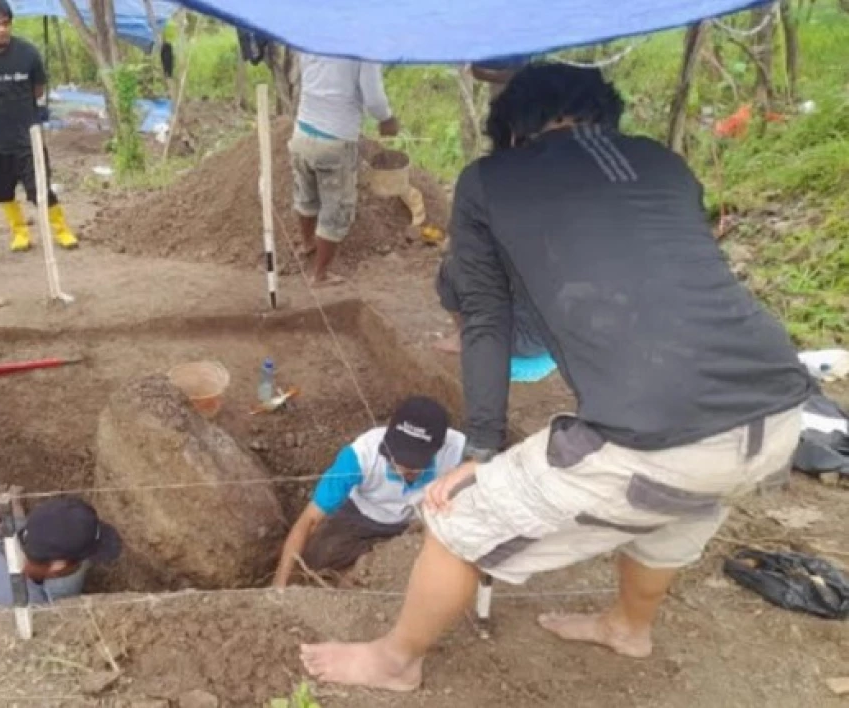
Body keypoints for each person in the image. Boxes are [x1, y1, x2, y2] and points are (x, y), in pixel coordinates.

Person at [300, 63, 814, 691]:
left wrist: (481, 451)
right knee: (683, 506)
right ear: (607, 116)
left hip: (655, 429)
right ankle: (629, 627)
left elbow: (485, 321)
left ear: (514, 129)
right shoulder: (661, 163)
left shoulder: (490, 180)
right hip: (779, 408)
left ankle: (394, 661)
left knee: (457, 520)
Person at [273, 396, 465, 587]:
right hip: (359, 517)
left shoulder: (459, 450)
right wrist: (278, 586)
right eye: (395, 458)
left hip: (414, 526)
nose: (400, 469)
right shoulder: (360, 457)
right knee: (315, 559)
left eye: (412, 466)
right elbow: (309, 520)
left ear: (439, 449)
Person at [0, 0, 79, 252]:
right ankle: (20, 233)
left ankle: (62, 231)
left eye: (6, 23)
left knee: (40, 187)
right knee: (2, 191)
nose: (2, 29)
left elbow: (38, 90)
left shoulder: (27, 53)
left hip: (28, 136)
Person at [290, 53, 400, 286]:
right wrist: (387, 119)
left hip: (301, 132)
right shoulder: (363, 45)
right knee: (337, 209)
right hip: (335, 139)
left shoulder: (311, 36)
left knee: (306, 196)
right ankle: (320, 275)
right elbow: (374, 99)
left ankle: (308, 244)